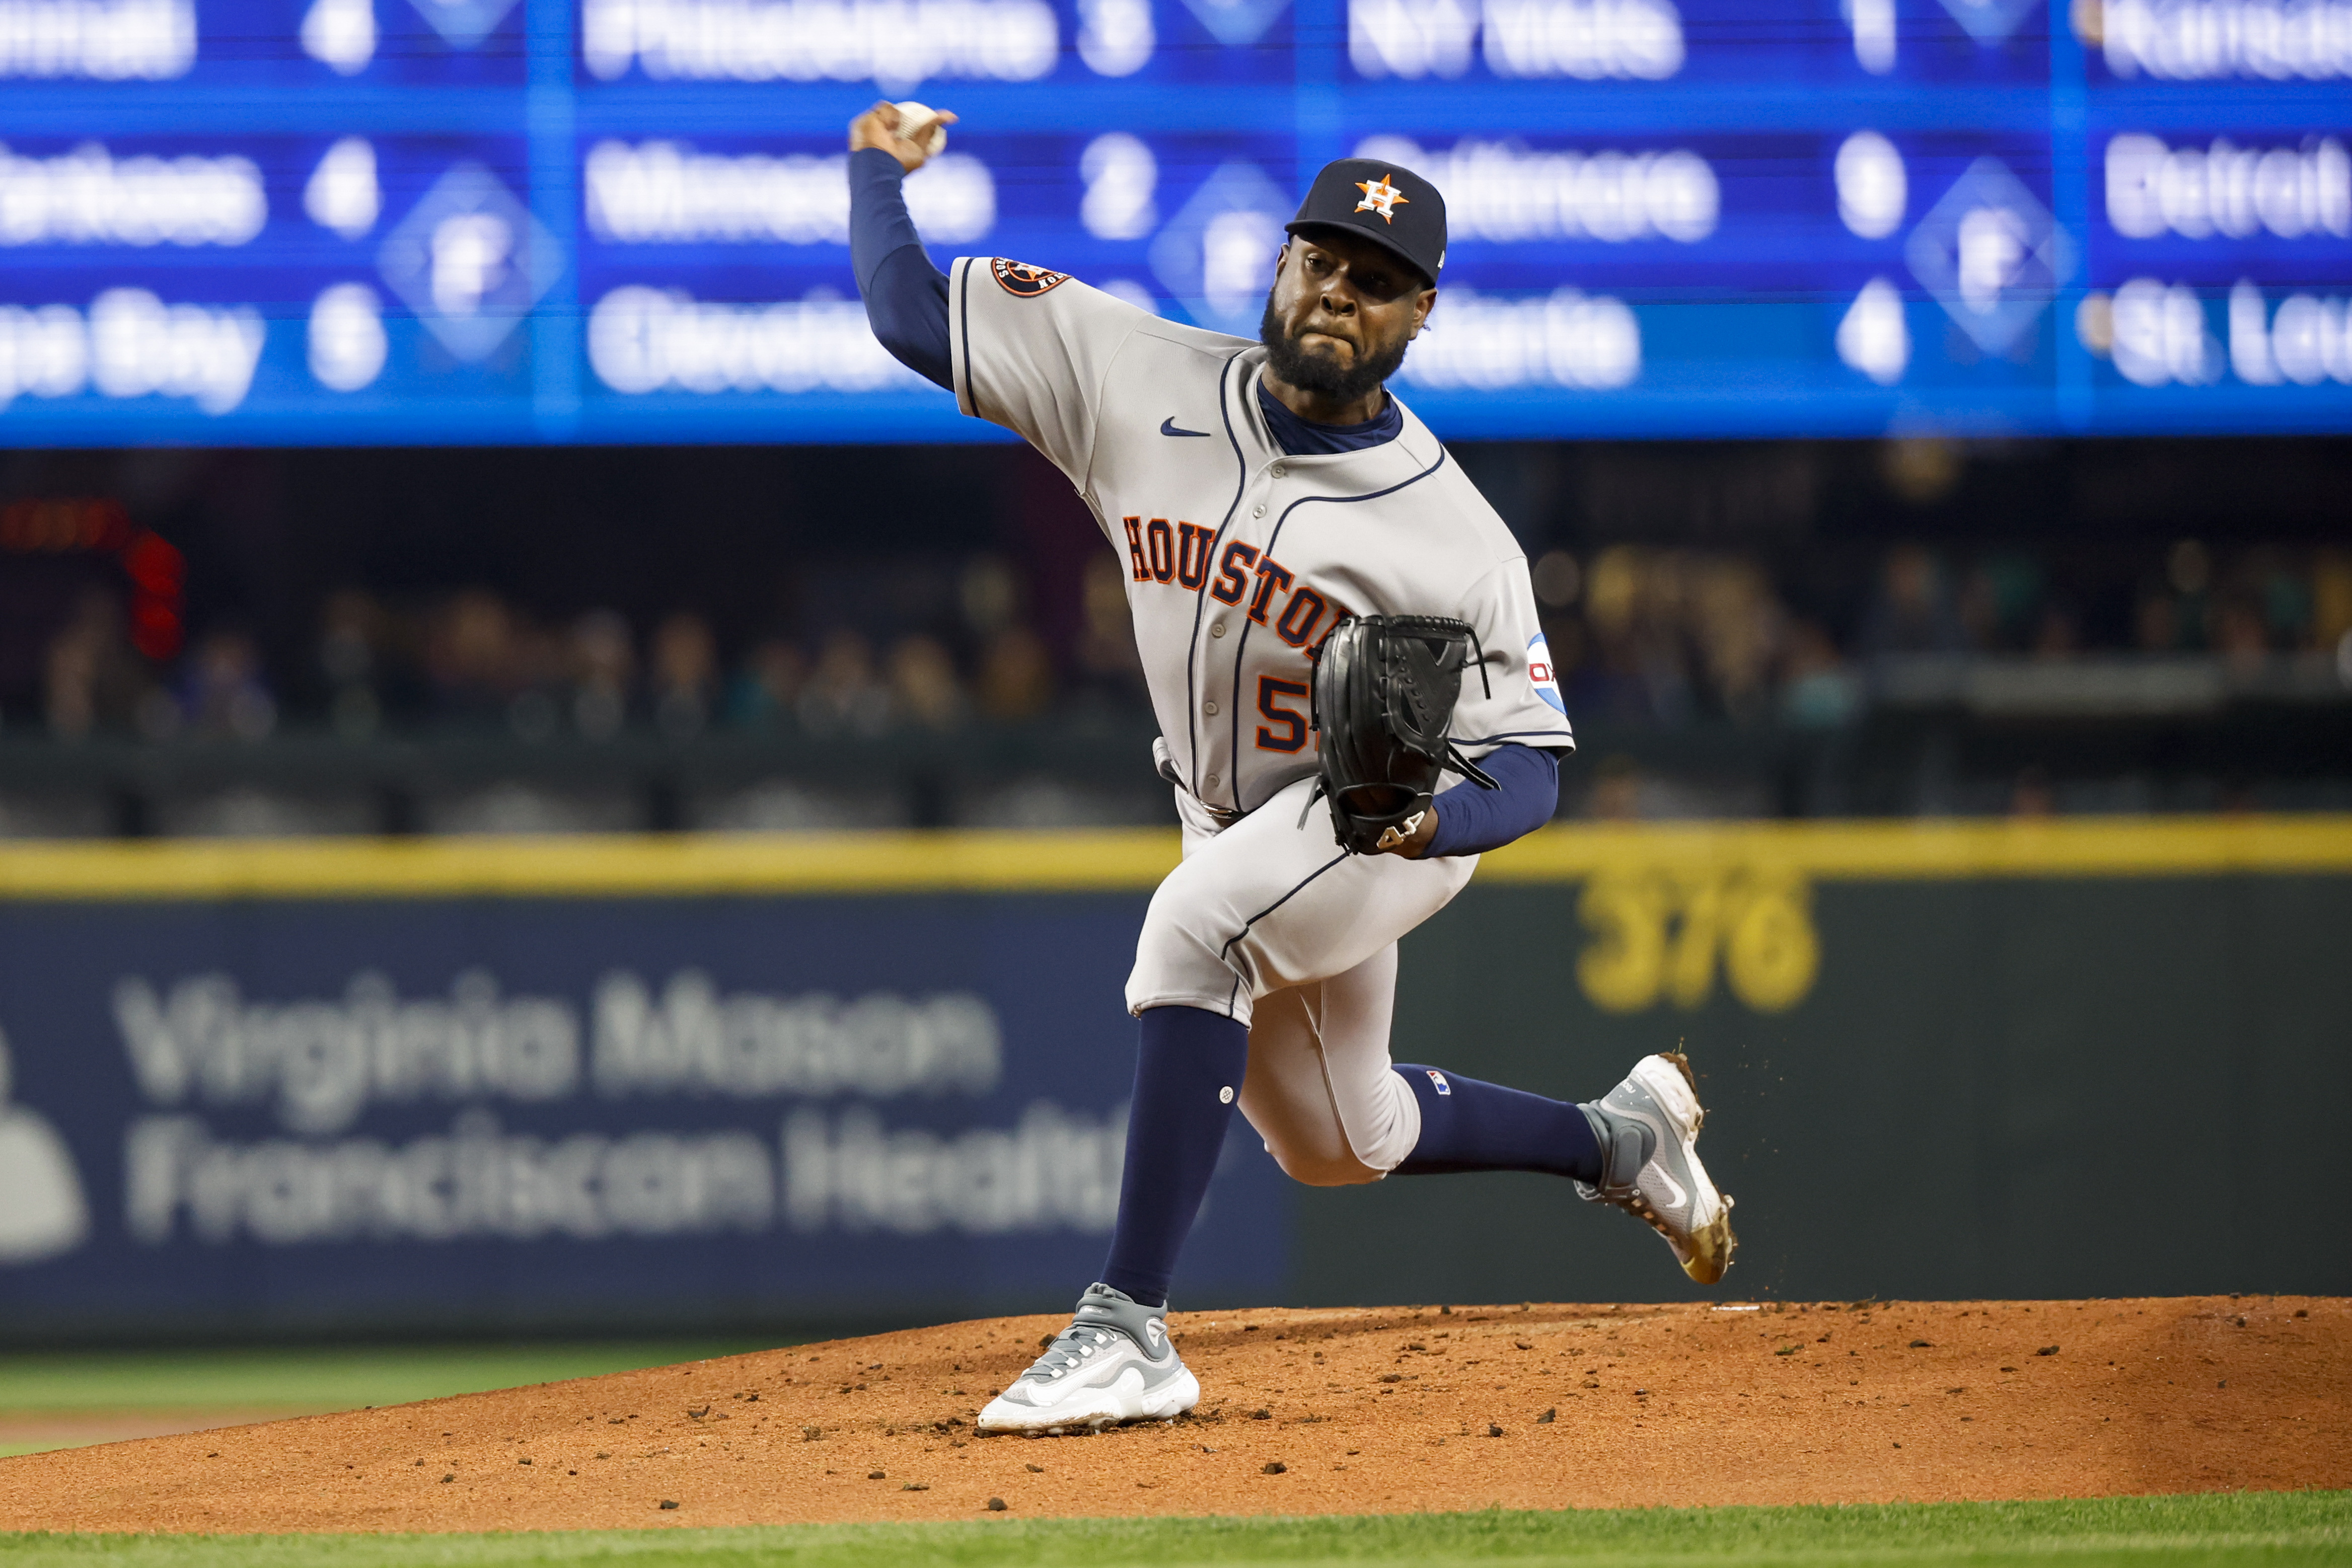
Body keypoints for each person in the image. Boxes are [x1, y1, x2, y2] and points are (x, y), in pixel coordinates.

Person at [845, 104, 1737, 1436]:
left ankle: (1127, 1327)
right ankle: (1625, 1138)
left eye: (1375, 282)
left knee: (1194, 928)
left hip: (1376, 827)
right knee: (1340, 1135)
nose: (1339, 292)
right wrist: (873, 168)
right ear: (1280, 265)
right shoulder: (1132, 370)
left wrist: (1435, 818)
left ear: (1418, 315)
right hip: (1228, 816)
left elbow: (1538, 766)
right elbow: (912, 312)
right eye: (1323, 261)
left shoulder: (1454, 532)